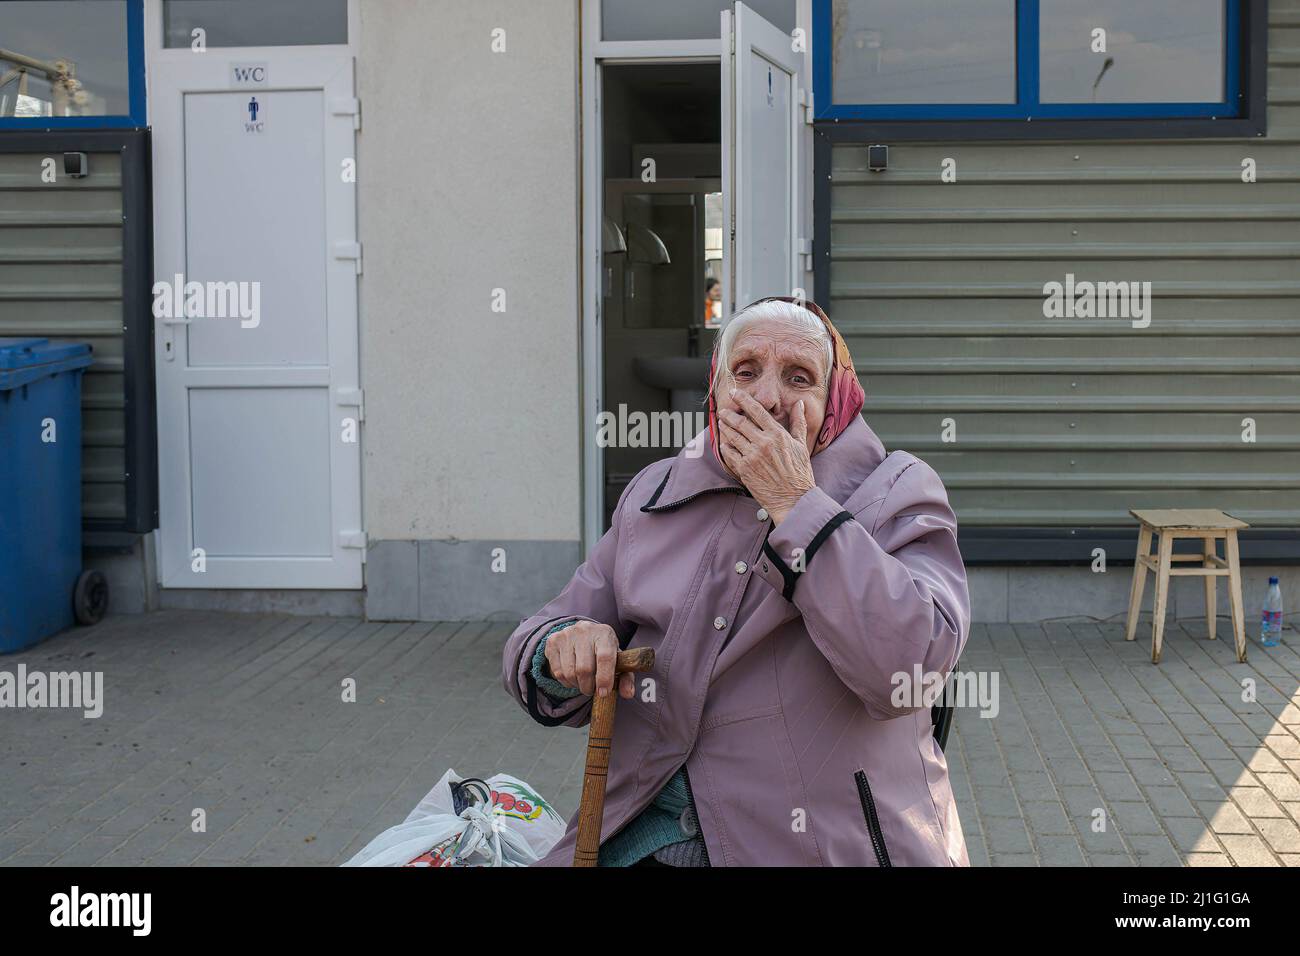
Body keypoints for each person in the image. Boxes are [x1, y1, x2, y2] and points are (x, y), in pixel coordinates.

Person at [502, 296, 971, 866]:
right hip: (643, 832)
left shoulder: (896, 490)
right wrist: (562, 646)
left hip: (822, 846)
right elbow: (548, 629)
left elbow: (912, 669)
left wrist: (796, 504)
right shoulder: (657, 491)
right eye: (745, 372)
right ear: (716, 390)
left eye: (799, 378)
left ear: (838, 400)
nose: (767, 398)